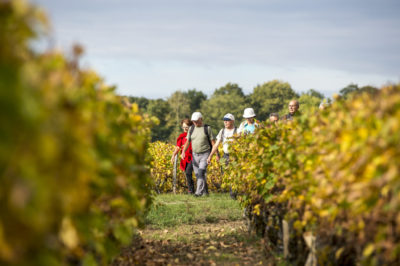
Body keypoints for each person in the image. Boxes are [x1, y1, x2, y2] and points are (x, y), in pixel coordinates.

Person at [181, 112, 216, 197]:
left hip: (205, 153)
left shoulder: (207, 128)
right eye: (194, 121)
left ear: (201, 119)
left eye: (197, 121)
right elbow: (188, 142)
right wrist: (183, 152)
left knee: (201, 172)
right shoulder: (191, 129)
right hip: (195, 155)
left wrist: (214, 155)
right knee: (198, 175)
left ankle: (198, 193)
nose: (195, 123)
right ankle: (205, 192)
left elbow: (213, 143)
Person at [207, 113, 237, 199]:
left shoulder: (237, 131)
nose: (225, 122)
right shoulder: (222, 131)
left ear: (232, 121)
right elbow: (216, 145)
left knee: (234, 176)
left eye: (227, 120)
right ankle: (233, 193)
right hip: (225, 156)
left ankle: (234, 195)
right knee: (226, 175)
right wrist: (210, 156)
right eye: (224, 120)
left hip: (235, 157)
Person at [171, 118, 195, 194]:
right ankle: (191, 190)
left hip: (193, 156)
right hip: (185, 157)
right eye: (183, 127)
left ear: (190, 127)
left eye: (186, 127)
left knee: (190, 172)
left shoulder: (194, 135)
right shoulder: (181, 136)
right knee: (188, 173)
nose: (185, 129)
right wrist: (173, 155)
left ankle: (193, 190)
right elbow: (178, 147)